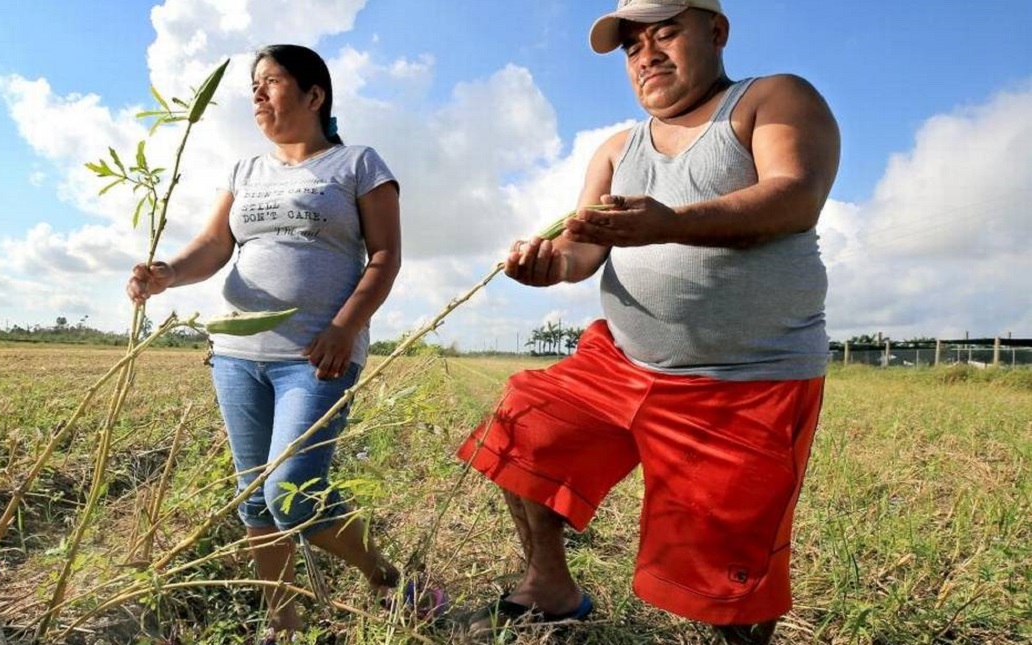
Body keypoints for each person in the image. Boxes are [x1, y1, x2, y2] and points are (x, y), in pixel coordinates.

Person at [456, 1, 839, 642]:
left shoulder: (769, 100)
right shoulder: (616, 148)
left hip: (746, 378)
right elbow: (582, 251)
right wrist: (548, 265)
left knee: (729, 565)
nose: (647, 55)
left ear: (716, 33)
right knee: (527, 426)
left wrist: (670, 223)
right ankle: (549, 586)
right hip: (620, 362)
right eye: (633, 47)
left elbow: (797, 195)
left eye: (666, 34)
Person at [127, 44, 442, 642]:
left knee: (292, 496)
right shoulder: (246, 172)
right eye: (253, 85)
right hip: (237, 358)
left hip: (314, 358)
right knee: (254, 502)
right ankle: (282, 629)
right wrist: (167, 271)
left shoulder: (357, 164)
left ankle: (385, 578)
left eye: (270, 82)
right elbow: (215, 247)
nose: (257, 94)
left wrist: (345, 327)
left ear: (313, 94)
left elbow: (385, 256)